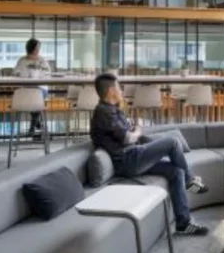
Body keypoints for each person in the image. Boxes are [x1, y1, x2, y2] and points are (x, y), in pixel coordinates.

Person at [90, 73, 210, 236]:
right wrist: (139, 127)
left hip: (132, 157)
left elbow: (124, 133)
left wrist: (134, 129)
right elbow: (127, 138)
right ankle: (190, 181)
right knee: (173, 142)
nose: (121, 91)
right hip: (127, 160)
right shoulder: (104, 112)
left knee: (176, 171)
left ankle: (183, 222)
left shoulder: (111, 110)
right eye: (119, 87)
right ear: (111, 90)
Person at [14, 38, 50, 132]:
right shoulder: (22, 60)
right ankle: (36, 122)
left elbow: (47, 73)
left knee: (35, 96)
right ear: (31, 48)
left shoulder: (42, 60)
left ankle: (32, 126)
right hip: (26, 90)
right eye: (37, 47)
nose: (38, 50)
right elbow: (16, 73)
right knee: (33, 98)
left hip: (40, 89)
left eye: (38, 48)